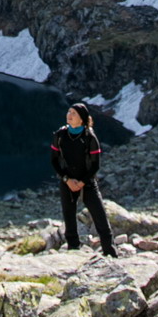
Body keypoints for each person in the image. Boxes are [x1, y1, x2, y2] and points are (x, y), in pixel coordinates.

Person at [50, 102, 116, 257]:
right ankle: (73, 250)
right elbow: (54, 160)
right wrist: (67, 179)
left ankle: (110, 251)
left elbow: (95, 165)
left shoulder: (89, 137)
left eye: (73, 113)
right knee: (69, 215)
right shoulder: (60, 135)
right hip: (67, 180)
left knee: (99, 215)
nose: (69, 115)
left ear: (82, 118)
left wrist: (82, 182)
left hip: (87, 181)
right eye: (69, 112)